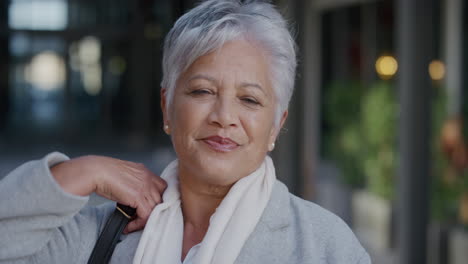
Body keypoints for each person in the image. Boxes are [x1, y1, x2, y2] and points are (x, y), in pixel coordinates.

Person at [0, 0, 371, 263]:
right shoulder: (102, 235)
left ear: (277, 123)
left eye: (250, 100)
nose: (224, 116)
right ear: (167, 106)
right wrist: (81, 172)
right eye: (203, 91)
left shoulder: (324, 246)